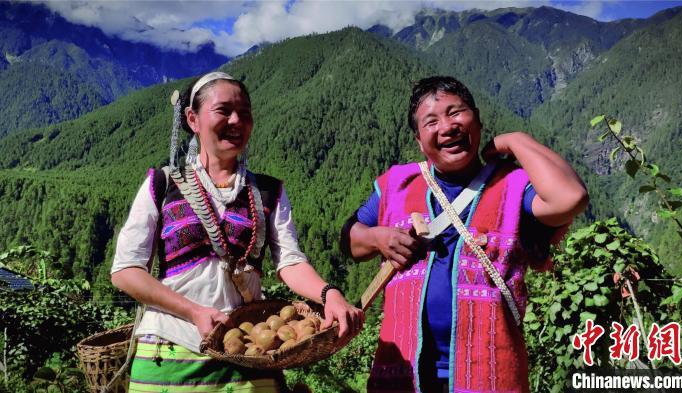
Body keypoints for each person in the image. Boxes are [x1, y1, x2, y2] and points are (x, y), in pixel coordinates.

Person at [111, 71, 364, 392]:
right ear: (193, 119)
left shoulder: (268, 191)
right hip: (170, 355)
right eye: (223, 110)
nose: (236, 120)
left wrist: (330, 294)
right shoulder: (163, 184)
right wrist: (194, 311)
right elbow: (125, 271)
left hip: (251, 354)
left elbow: (289, 261)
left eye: (244, 113)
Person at [340, 76, 588, 392]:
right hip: (403, 375)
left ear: (478, 119)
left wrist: (516, 140)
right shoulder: (397, 185)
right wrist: (377, 238)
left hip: (490, 374)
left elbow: (570, 198)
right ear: (419, 141)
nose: (447, 126)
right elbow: (350, 238)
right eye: (431, 121)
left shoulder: (511, 186)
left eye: (456, 112)